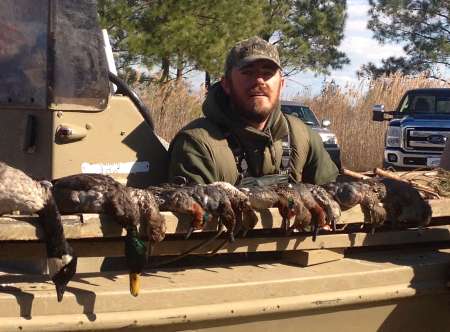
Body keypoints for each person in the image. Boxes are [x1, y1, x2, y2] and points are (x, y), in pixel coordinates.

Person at [168, 36, 338, 185]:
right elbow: (196, 218)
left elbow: (332, 201)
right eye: (248, 72)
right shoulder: (197, 144)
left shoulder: (301, 135)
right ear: (226, 84)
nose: (259, 81)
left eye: (267, 73)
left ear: (281, 84)